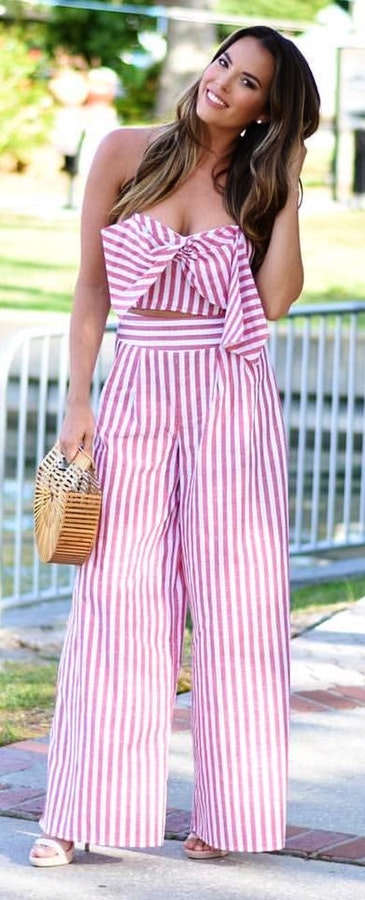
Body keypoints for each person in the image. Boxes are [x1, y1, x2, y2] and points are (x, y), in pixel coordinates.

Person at [30, 25, 320, 867]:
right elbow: (90, 287)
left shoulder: (260, 180)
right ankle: (79, 810)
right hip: (138, 393)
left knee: (238, 611)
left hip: (232, 398)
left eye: (250, 83)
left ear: (271, 109)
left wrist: (291, 182)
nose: (223, 83)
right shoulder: (125, 150)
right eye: (224, 62)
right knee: (116, 600)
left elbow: (273, 302)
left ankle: (229, 818)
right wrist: (78, 399)